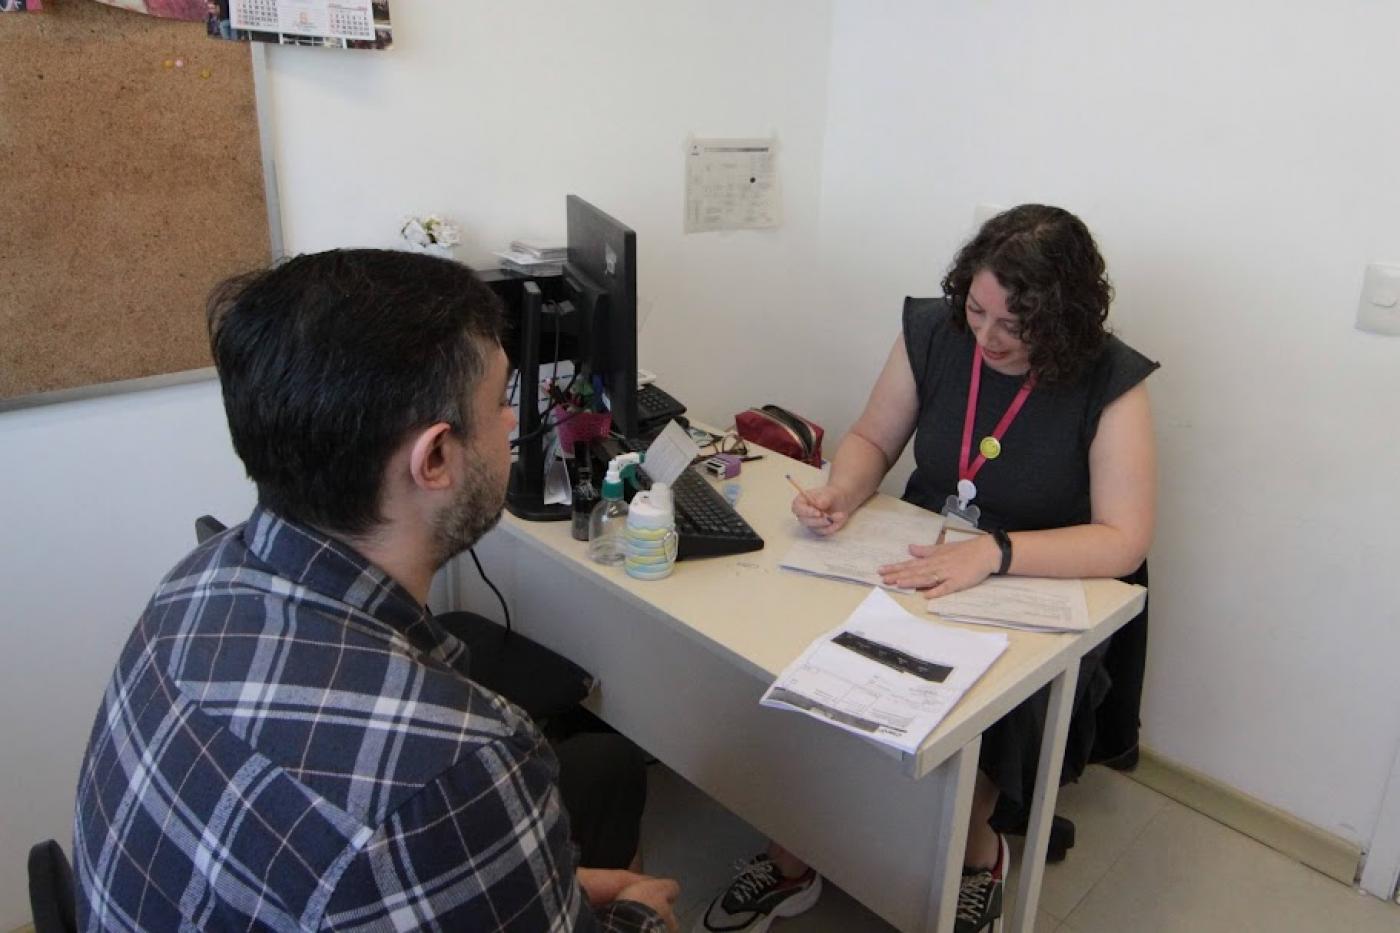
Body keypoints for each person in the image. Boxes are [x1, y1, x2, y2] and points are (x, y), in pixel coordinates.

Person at [72, 250, 680, 932]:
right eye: (500, 404)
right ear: (435, 459)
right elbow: (414, 819)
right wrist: (637, 916)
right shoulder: (454, 772)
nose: (514, 425)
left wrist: (533, 879)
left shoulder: (196, 580)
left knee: (601, 766)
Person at [697, 205, 1157, 933]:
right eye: (978, 310)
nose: (988, 336)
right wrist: (840, 491)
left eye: (1016, 325)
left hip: (1037, 578)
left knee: (982, 703)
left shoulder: (1110, 381)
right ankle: (794, 855)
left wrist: (997, 553)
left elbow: (1124, 540)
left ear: (1064, 322)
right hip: (920, 552)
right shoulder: (936, 333)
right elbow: (874, 437)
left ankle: (979, 859)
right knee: (807, 652)